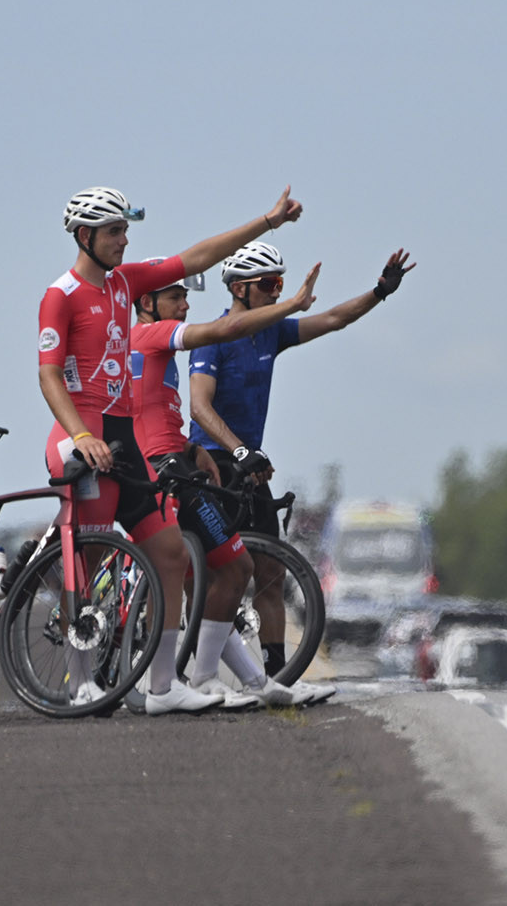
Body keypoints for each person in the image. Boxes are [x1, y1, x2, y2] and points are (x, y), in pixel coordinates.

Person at [39, 184, 303, 715]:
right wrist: (81, 437)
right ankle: (81, 679)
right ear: (86, 235)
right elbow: (48, 376)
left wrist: (268, 222)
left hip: (122, 436)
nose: (124, 240)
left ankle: (161, 687)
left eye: (125, 230)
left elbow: (199, 255)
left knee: (170, 553)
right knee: (87, 562)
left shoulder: (127, 282)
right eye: (115, 232)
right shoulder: (60, 294)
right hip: (79, 433)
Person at [188, 242, 414, 676]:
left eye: (280, 284)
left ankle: (276, 677)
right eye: (269, 285)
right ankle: (197, 675)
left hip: (248, 466)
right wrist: (239, 451)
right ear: (239, 289)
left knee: (270, 576)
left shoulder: (270, 333)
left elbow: (332, 319)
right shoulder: (211, 339)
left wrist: (379, 291)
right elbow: (199, 407)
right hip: (213, 465)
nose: (277, 292)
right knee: (216, 580)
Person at [129, 262, 332, 706]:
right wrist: (293, 303)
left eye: (186, 298)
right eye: (176, 298)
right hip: (163, 471)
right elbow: (220, 333)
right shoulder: (149, 337)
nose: (185, 307)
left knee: (224, 569)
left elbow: (152, 415)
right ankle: (190, 680)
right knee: (221, 569)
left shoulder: (156, 352)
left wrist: (189, 449)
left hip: (176, 462)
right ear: (147, 303)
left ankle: (253, 682)